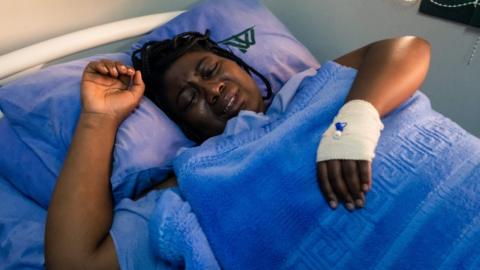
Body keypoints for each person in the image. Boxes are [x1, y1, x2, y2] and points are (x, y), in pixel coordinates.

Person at [45, 32, 431, 269]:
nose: (212, 91)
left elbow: (402, 47)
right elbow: (73, 263)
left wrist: (357, 119)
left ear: (239, 64)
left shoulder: (307, 90)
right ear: (185, 126)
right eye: (189, 97)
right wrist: (99, 119)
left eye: (211, 71)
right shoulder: (198, 176)